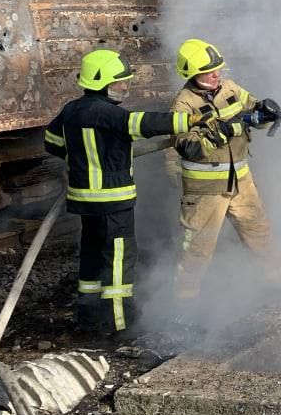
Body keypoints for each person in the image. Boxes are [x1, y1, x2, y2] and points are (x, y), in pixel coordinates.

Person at [44, 49, 195, 336]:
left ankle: (89, 316)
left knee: (91, 254)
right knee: (118, 260)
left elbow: (51, 142)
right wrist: (191, 120)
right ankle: (120, 323)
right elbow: (146, 124)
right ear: (101, 83)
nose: (125, 87)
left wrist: (80, 156)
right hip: (113, 201)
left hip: (84, 201)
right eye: (119, 82)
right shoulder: (109, 113)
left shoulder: (70, 110)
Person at [167, 39, 281, 303]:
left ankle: (274, 287)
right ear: (192, 74)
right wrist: (219, 134)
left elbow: (254, 114)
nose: (216, 74)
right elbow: (187, 147)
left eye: (218, 68)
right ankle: (184, 305)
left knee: (259, 233)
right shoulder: (183, 105)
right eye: (209, 71)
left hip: (242, 181)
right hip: (205, 191)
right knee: (197, 250)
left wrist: (266, 112)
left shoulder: (230, 88)